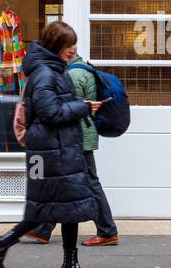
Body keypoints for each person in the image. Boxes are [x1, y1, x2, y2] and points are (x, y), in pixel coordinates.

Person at [0, 21, 104, 268]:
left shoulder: (49, 70)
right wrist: (83, 107)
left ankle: (1, 244)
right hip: (52, 152)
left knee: (44, 209)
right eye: (69, 44)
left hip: (54, 150)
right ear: (56, 46)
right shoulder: (47, 74)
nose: (73, 49)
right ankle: (69, 267)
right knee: (67, 208)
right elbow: (50, 113)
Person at [26, 50, 119, 246]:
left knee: (89, 183)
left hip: (79, 137)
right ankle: (43, 229)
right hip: (84, 134)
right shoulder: (84, 69)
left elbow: (68, 108)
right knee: (64, 182)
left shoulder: (72, 74)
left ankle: (107, 230)